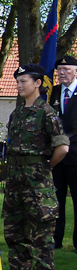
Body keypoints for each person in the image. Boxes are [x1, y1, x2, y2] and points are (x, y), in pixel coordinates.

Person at [0, 64, 69, 270]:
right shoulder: (17, 113)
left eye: (24, 81)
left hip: (38, 183)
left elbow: (62, 147)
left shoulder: (47, 112)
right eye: (17, 81)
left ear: (37, 83)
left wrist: (46, 166)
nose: (19, 85)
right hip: (16, 181)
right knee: (15, 231)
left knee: (41, 235)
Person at [48, 55, 77, 251]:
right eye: (59, 70)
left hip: (76, 156)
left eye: (66, 69)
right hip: (58, 156)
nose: (62, 73)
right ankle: (55, 240)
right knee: (56, 201)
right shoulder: (55, 92)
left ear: (76, 71)